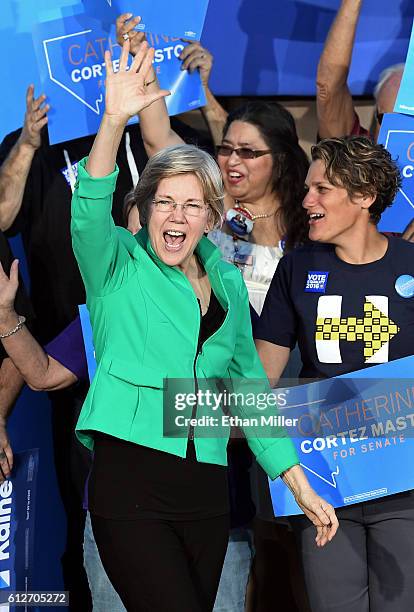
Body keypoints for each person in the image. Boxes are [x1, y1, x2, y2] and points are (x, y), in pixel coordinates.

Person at [68, 40, 337, 611]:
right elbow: (88, 209)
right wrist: (115, 120)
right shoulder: (115, 263)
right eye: (165, 202)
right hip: (131, 479)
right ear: (146, 207)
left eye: (192, 206)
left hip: (208, 489)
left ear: (212, 218)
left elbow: (250, 393)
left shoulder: (231, 285)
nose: (177, 215)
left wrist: (297, 482)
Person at [255, 135, 414, 612]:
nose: (307, 200)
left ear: (364, 197)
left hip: (405, 488)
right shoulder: (296, 268)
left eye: (322, 189)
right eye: (307, 188)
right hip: (324, 484)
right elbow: (261, 379)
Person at [316, 0, 404, 142]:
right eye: (388, 120)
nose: (399, 131)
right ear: (376, 117)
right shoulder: (359, 158)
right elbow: (328, 88)